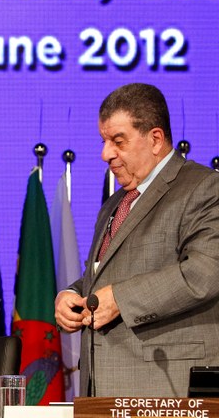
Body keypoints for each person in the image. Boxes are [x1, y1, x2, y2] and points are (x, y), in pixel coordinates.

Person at [55, 83, 219, 397]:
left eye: (118, 141)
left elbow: (204, 273)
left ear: (155, 139)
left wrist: (119, 299)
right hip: (102, 393)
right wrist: (72, 295)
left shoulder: (206, 189)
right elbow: (102, 276)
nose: (105, 154)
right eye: (104, 141)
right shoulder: (114, 205)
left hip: (168, 391)